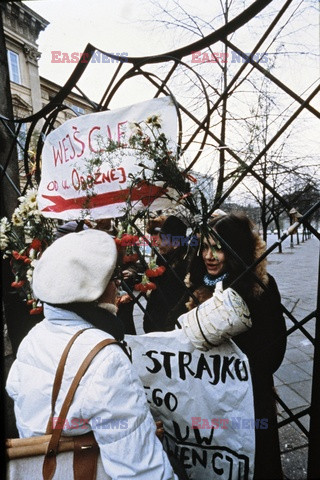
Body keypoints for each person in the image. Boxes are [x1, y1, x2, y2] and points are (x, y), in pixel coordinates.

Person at [6, 229, 179, 479]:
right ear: (93, 290)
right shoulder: (104, 358)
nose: (117, 285)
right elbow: (141, 470)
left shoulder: (34, 337)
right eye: (112, 278)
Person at [187, 212, 287, 480]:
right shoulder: (196, 284)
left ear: (237, 249)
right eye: (205, 247)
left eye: (218, 248)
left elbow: (275, 348)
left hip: (248, 398)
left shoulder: (259, 287)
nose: (209, 256)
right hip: (206, 399)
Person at [143, 215, 191, 333]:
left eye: (162, 239)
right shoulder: (162, 258)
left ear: (175, 242)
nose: (157, 243)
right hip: (153, 321)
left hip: (171, 325)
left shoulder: (186, 263)